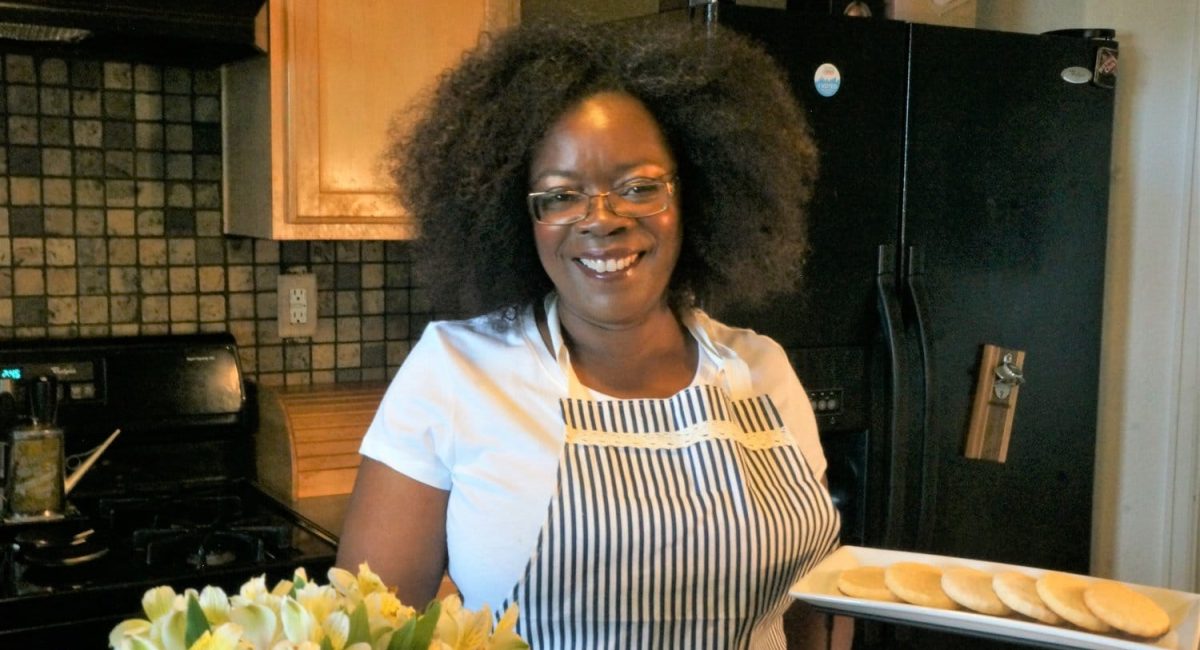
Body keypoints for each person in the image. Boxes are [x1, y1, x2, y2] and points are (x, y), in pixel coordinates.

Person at [337, 15, 850, 649]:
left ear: (697, 194)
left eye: (638, 187)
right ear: (517, 217)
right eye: (560, 196)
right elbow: (365, 632)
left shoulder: (763, 370)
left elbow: (817, 604)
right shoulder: (453, 372)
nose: (601, 220)